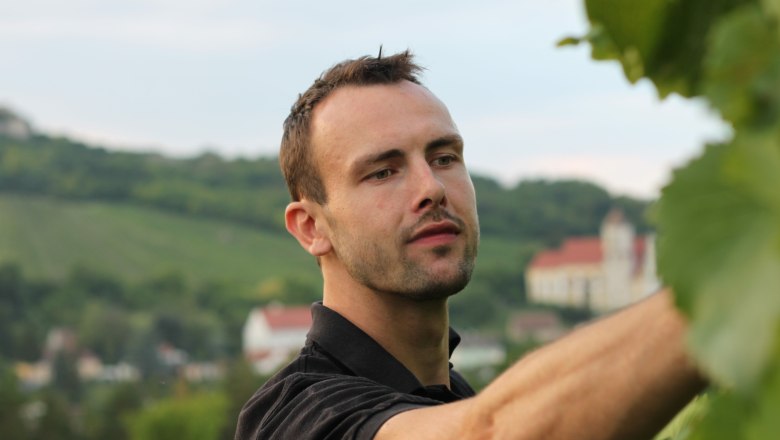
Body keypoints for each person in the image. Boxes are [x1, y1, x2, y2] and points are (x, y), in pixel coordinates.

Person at [235, 51, 706, 440]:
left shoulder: (454, 397)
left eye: (444, 157)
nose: (432, 188)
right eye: (383, 171)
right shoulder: (302, 416)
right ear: (311, 228)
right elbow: (490, 433)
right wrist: (732, 291)